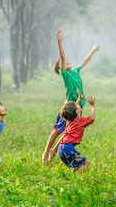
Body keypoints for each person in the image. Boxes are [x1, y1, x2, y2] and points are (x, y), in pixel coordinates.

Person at [42, 29, 99, 165]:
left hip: (79, 106)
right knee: (58, 130)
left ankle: (54, 151)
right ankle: (46, 152)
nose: (67, 62)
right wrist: (59, 42)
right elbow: (62, 57)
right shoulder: (65, 74)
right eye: (64, 63)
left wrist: (93, 50)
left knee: (70, 130)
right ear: (60, 68)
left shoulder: (75, 71)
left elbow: (85, 61)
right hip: (69, 107)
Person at [57, 94, 96, 173]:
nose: (78, 105)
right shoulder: (79, 121)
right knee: (86, 163)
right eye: (77, 106)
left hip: (61, 148)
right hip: (68, 148)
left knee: (77, 166)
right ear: (76, 111)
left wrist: (78, 100)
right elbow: (92, 119)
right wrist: (93, 106)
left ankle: (74, 175)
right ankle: (76, 178)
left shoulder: (69, 119)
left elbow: (71, 109)